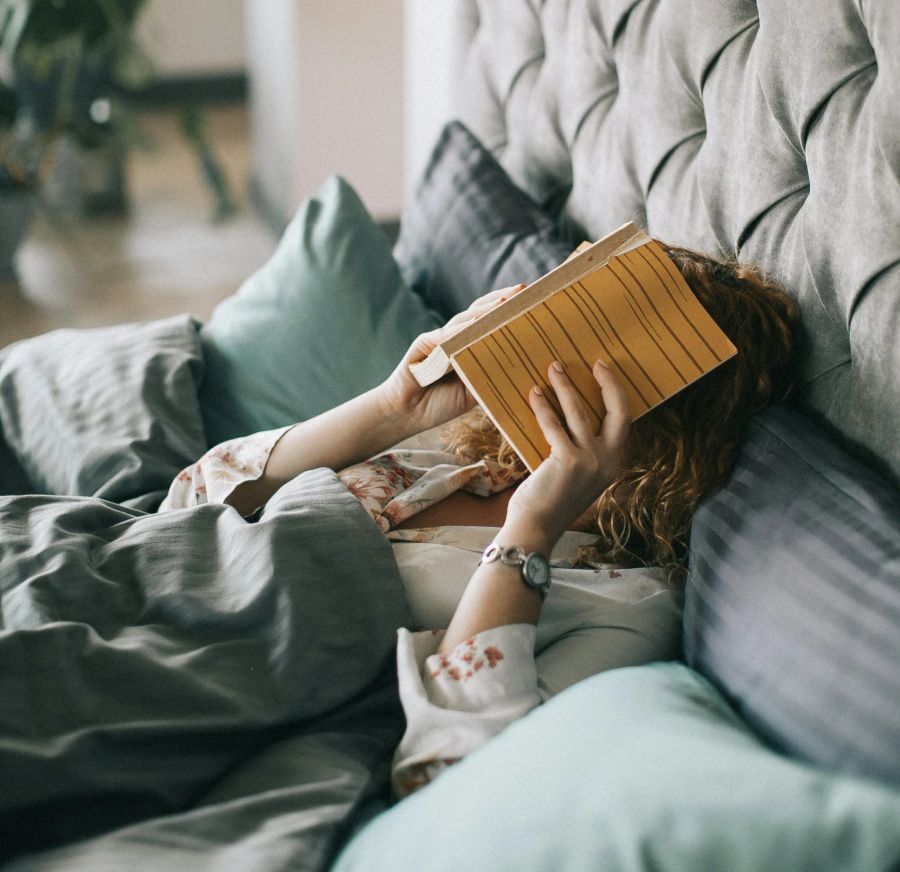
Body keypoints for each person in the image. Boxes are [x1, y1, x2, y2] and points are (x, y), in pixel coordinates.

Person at [161, 243, 800, 796]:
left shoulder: (629, 605)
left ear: (672, 427)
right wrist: (391, 411)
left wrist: (532, 526)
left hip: (205, 679)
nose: (553, 366)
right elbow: (195, 495)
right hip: (146, 576)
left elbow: (452, 766)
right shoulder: (470, 451)